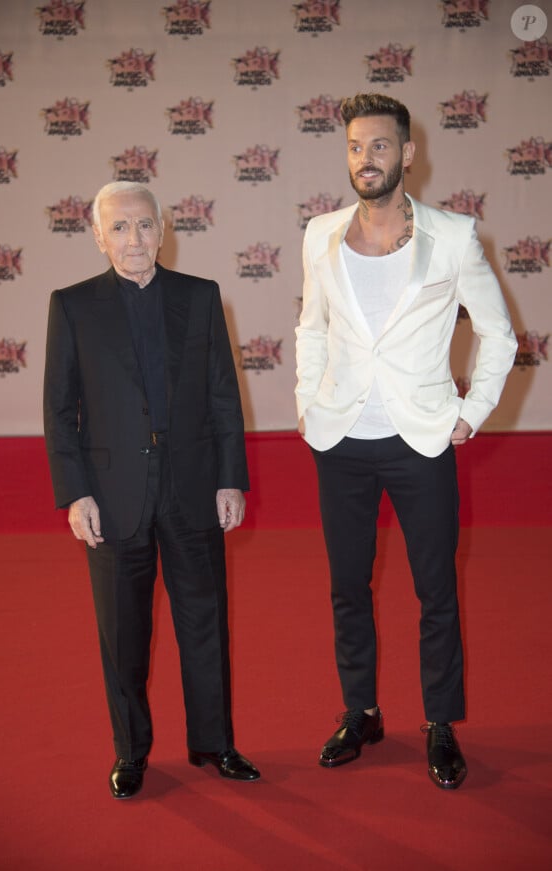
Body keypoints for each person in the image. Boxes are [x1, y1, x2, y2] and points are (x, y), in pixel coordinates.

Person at [295, 93, 517, 790]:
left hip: (421, 441)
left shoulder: (451, 236)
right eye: (357, 147)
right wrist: (306, 403)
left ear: (408, 155)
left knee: (435, 590)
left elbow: (498, 333)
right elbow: (309, 327)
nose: (367, 159)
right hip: (342, 439)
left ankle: (440, 722)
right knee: (346, 586)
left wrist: (473, 410)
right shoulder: (320, 234)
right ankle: (361, 710)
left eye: (381, 146)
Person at [43, 181, 260, 798]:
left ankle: (214, 744)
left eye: (143, 226)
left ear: (163, 230)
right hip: (113, 493)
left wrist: (230, 477)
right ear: (98, 235)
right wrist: (75, 493)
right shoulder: (72, 306)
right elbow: (60, 411)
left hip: (192, 485)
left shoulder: (200, 297)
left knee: (205, 623)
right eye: (119, 228)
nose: (133, 239)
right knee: (124, 633)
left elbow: (224, 395)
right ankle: (131, 751)